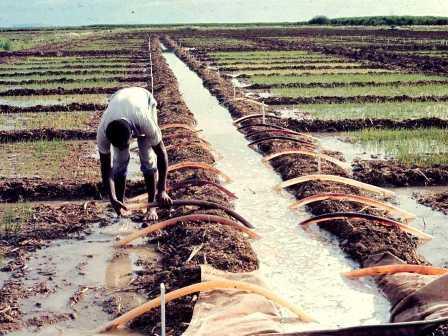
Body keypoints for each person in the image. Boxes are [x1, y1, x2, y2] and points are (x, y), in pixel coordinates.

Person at [97, 87, 172, 220]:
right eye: (118, 146)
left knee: (147, 157)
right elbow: (105, 167)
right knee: (119, 161)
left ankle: (151, 206)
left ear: (131, 135)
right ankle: (120, 204)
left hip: (144, 101)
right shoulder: (103, 131)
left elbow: (161, 154)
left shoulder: (144, 120)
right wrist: (112, 198)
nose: (122, 148)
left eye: (125, 145)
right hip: (119, 99)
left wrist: (162, 190)